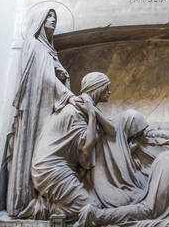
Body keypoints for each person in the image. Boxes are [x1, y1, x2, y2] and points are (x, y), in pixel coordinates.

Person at [7, 8, 81, 216]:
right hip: (37, 109)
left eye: (55, 17)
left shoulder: (49, 51)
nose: (53, 20)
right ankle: (28, 198)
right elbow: (45, 80)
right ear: (38, 20)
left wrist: (63, 76)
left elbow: (52, 77)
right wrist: (69, 96)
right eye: (49, 16)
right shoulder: (34, 45)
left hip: (48, 105)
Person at [18, 72, 115, 222]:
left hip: (60, 168)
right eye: (106, 87)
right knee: (90, 209)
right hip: (51, 169)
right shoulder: (76, 112)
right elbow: (86, 149)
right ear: (97, 88)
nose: (109, 91)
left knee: (97, 205)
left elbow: (112, 130)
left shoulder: (84, 108)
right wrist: (92, 116)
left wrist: (93, 113)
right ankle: (40, 209)